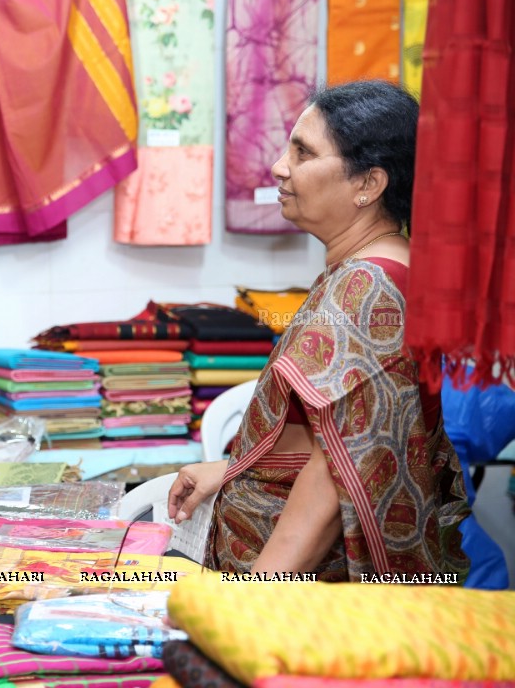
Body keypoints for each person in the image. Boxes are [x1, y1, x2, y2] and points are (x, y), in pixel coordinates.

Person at [168, 80, 470, 581]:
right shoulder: (374, 269)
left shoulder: (368, 288)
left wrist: (253, 600)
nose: (279, 167)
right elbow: (337, 435)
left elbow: (335, 478)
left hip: (306, 596)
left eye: (303, 153)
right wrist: (231, 471)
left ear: (368, 185)